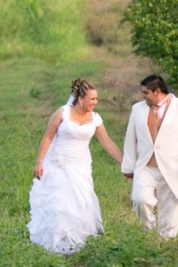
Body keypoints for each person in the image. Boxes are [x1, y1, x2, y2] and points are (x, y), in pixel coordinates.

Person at [28, 78, 123, 255]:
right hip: (58, 163)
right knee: (61, 202)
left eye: (96, 99)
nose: (95, 102)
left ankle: (77, 239)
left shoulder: (95, 118)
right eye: (92, 99)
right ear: (81, 99)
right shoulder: (62, 113)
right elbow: (47, 137)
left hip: (81, 166)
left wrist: (125, 163)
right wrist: (39, 162)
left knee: (80, 201)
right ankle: (59, 242)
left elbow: (108, 143)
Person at [121, 75, 178, 239]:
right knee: (139, 199)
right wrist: (128, 167)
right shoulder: (137, 109)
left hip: (173, 167)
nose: (143, 96)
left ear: (157, 91)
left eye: (146, 93)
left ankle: (166, 243)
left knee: (170, 208)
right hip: (146, 167)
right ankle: (149, 231)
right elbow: (130, 139)